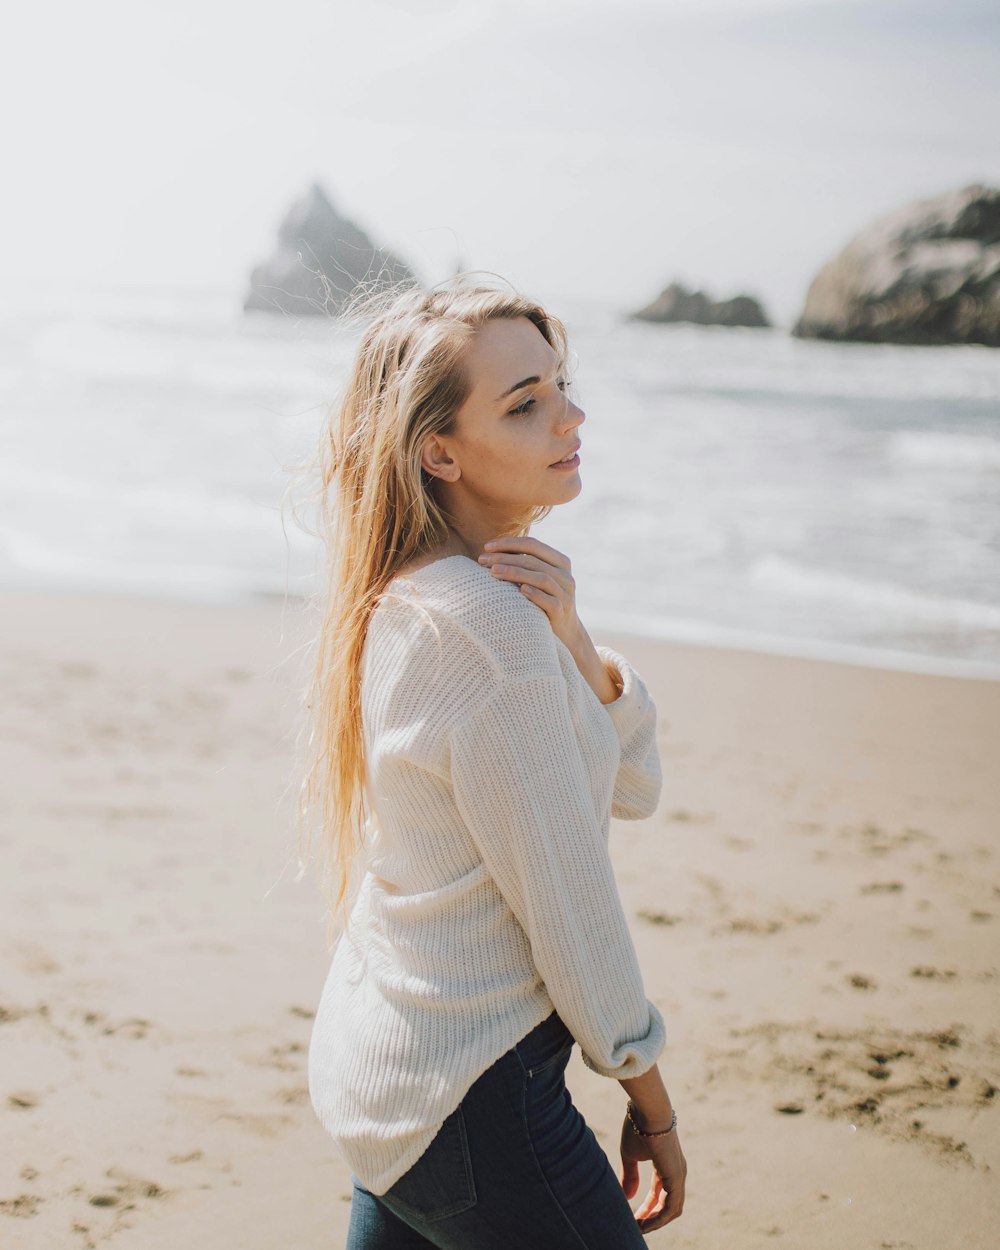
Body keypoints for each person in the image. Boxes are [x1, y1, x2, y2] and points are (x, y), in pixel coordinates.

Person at [298, 278, 687, 1249]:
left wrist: (573, 631)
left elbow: (628, 784)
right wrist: (649, 1096)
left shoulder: (414, 595)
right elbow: (572, 902)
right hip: (467, 1090)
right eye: (525, 403)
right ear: (439, 450)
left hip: (387, 1072)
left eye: (558, 384)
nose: (571, 414)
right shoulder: (487, 634)